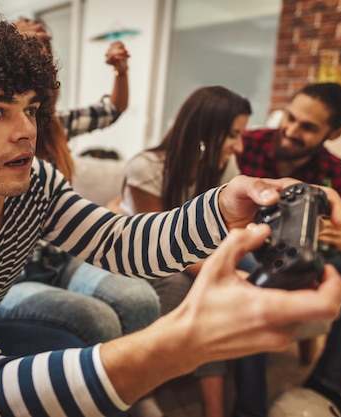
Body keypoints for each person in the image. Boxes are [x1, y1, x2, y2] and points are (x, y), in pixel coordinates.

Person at [0, 13, 341, 416]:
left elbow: (124, 243)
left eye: (30, 108)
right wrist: (183, 340)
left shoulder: (33, 183)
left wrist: (225, 204)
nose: (27, 130)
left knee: (76, 353)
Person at [236, 82, 341, 417]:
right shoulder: (245, 145)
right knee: (265, 278)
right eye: (291, 117)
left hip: (311, 254)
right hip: (247, 246)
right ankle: (248, 409)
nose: (290, 130)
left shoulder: (332, 170)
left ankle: (325, 387)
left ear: (335, 133)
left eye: (308, 127)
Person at [0, 17, 161, 349]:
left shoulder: (57, 126)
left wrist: (120, 70)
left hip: (64, 259)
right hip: (14, 277)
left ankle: (135, 393)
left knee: (141, 299)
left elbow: (113, 108)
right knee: (98, 321)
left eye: (44, 60)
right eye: (27, 57)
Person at [113, 86, 264, 417]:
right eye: (233, 135)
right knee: (199, 289)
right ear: (204, 132)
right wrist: (221, 271)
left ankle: (240, 407)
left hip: (198, 250)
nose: (239, 146)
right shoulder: (148, 168)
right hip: (143, 254)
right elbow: (157, 245)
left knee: (262, 276)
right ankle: (149, 390)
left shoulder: (223, 165)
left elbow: (229, 234)